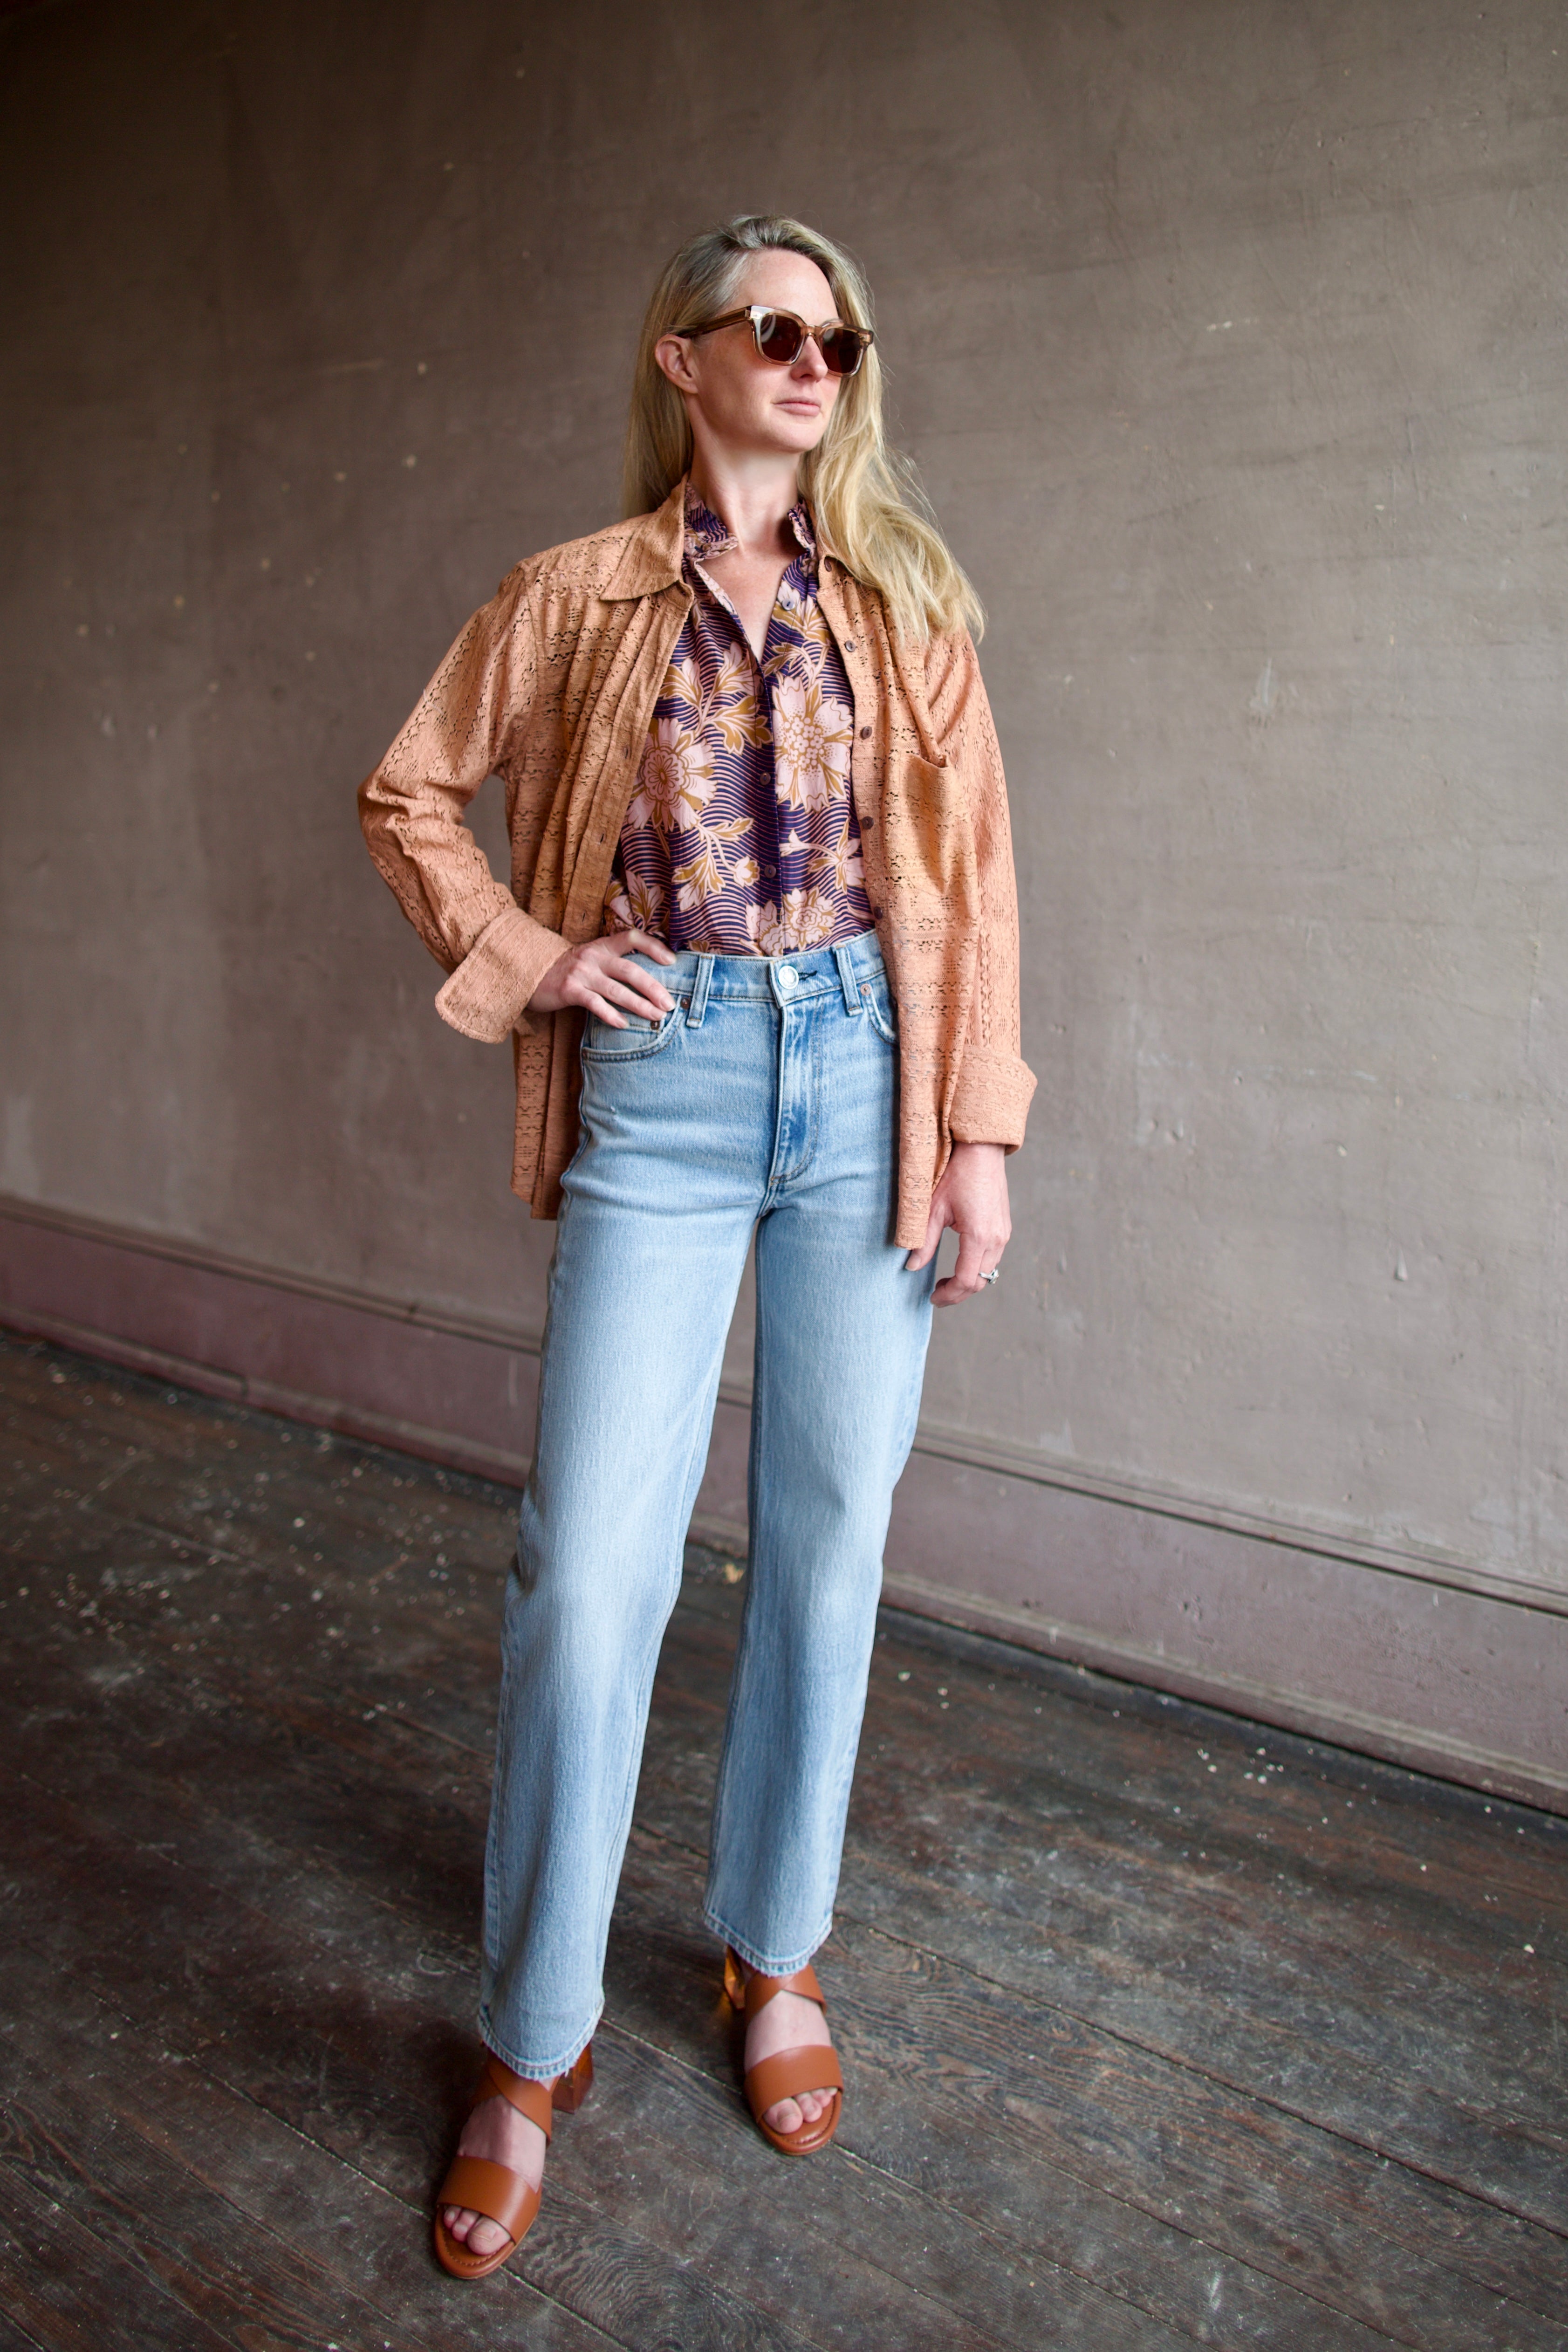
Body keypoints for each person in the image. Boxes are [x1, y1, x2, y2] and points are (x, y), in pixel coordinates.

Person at [359, 213, 1034, 2282]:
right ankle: (534, 2039)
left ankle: (771, 1950)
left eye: (836, 332)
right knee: (593, 1571)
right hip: (664, 1087)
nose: (811, 357)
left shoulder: (907, 599)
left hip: (870, 1071)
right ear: (681, 360)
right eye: (770, 325)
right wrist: (538, 952)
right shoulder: (571, 597)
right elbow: (407, 798)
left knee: (827, 1540)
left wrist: (979, 1135)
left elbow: (981, 880)